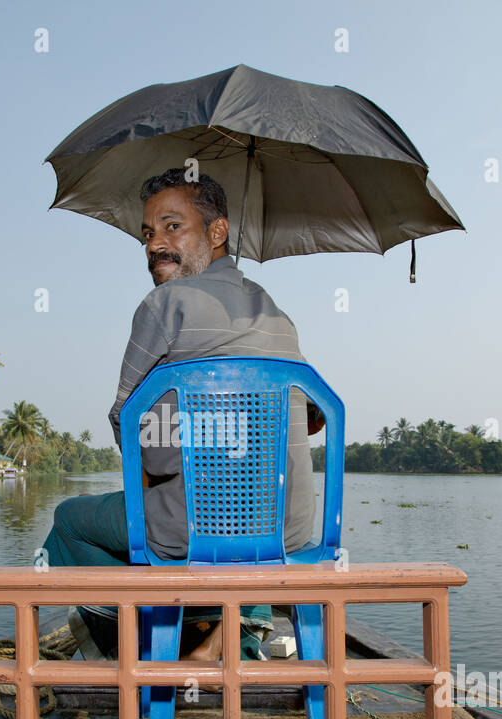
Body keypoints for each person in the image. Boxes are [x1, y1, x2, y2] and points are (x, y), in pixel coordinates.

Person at [39, 167, 317, 662]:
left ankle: (143, 643)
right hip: (289, 530)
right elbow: (312, 418)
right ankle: (226, 627)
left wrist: (171, 448)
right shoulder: (280, 316)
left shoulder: (163, 304)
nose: (153, 244)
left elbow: (129, 426)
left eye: (172, 227)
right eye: (147, 233)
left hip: (194, 529)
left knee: (68, 521)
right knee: (230, 502)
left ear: (217, 232)